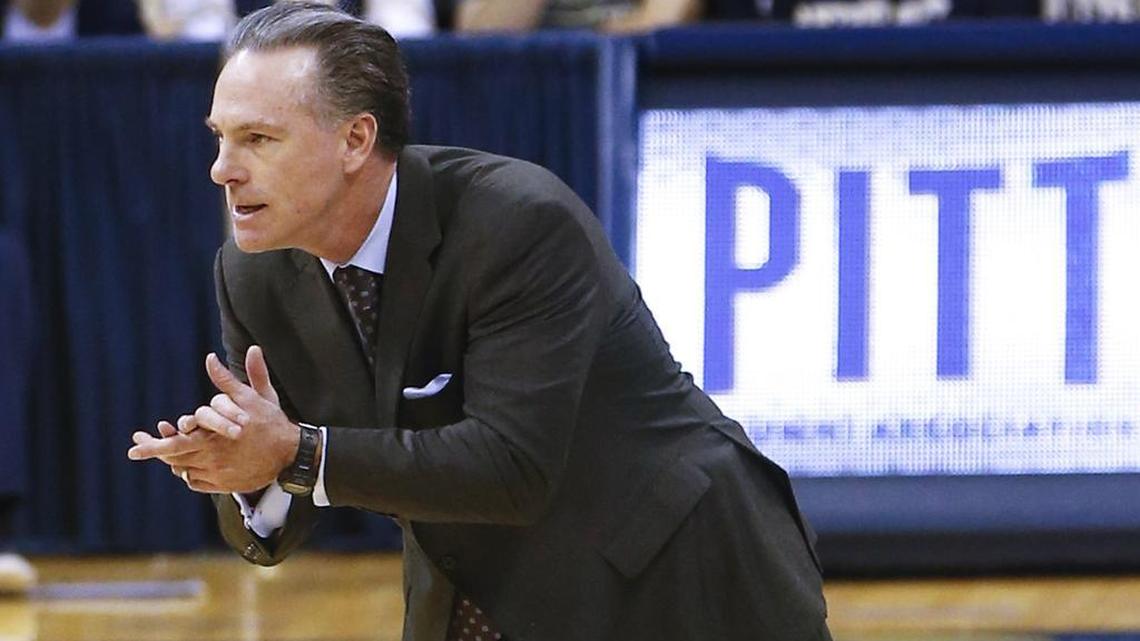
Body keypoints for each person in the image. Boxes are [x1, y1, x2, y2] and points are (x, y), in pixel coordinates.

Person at [126, 3, 830, 640]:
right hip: (478, 592)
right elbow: (289, 488)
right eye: (220, 137)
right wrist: (250, 472)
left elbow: (511, 467)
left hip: (678, 574)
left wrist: (297, 453)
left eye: (258, 139)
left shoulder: (518, 223)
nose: (222, 168)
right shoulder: (254, 272)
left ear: (355, 139)